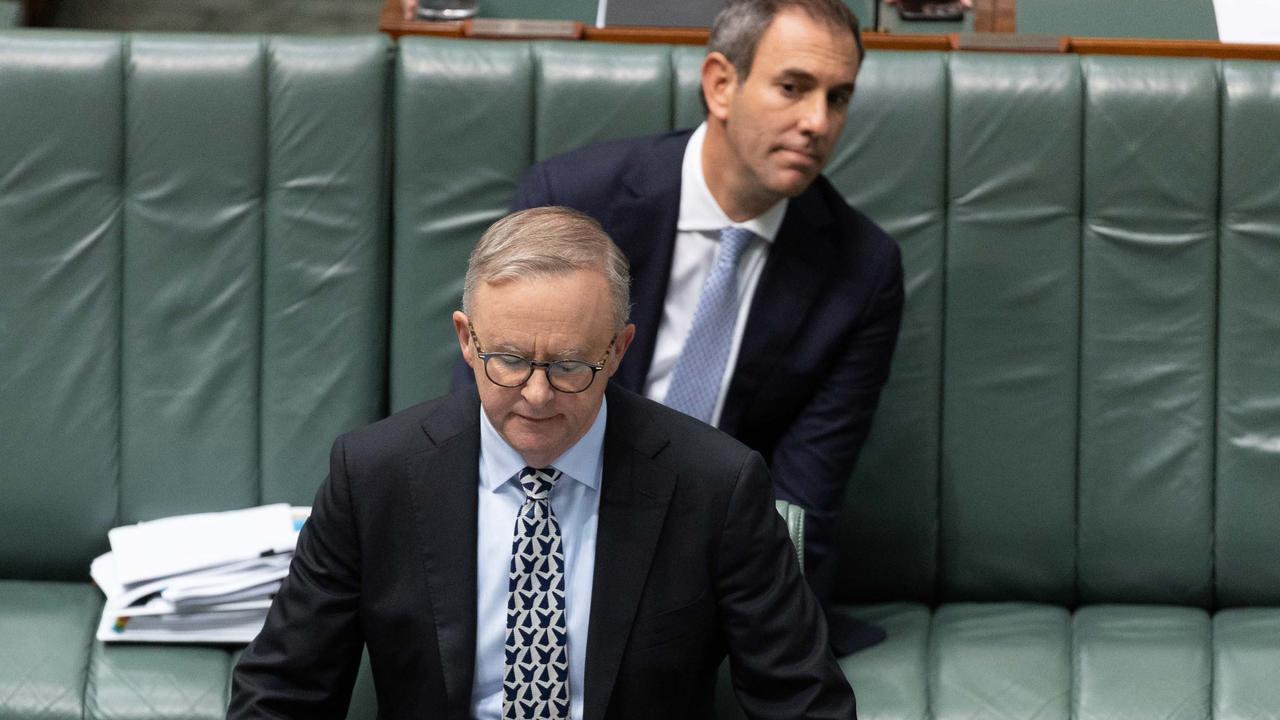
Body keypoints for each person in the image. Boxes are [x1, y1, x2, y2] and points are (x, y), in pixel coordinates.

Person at [227, 207, 855, 719]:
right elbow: (281, 695)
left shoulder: (716, 485)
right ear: (466, 340)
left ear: (618, 350)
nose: (535, 394)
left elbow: (805, 706)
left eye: (569, 366)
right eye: (508, 360)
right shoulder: (371, 476)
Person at [485, 0, 905, 637]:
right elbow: (498, 407)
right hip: (548, 528)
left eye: (839, 98)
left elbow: (803, 496)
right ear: (720, 84)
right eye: (793, 88)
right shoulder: (574, 201)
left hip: (720, 569)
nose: (818, 122)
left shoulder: (861, 271)